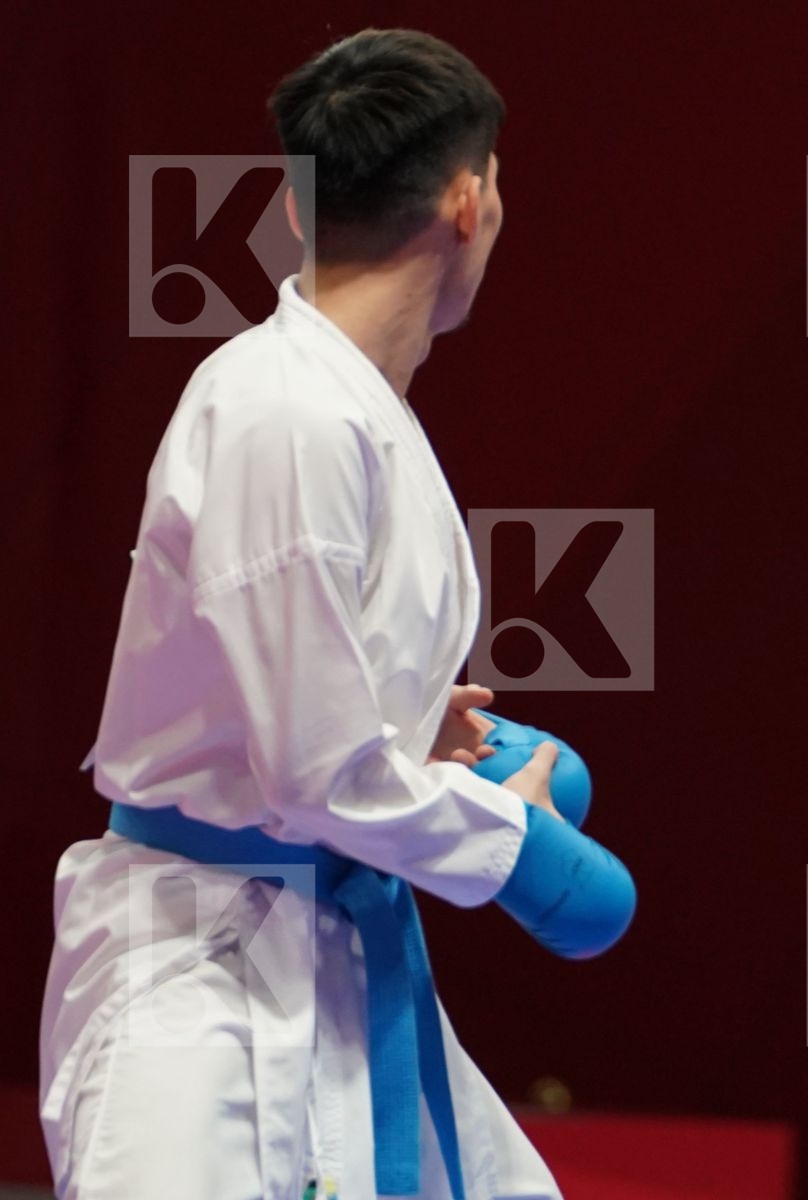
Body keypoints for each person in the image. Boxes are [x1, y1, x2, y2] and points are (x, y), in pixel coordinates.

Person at [38, 28, 634, 1200]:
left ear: (306, 209)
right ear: (471, 200)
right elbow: (315, 773)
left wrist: (414, 728)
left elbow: (305, 709)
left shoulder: (351, 405)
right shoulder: (286, 411)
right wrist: (512, 844)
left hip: (322, 944)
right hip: (199, 972)